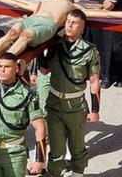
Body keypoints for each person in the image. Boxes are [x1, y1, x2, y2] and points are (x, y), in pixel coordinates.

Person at [39, 9, 101, 177]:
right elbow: (44, 71)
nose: (69, 25)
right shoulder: (55, 45)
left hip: (76, 106)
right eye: (68, 22)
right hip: (54, 104)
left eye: (74, 23)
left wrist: (95, 110)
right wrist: (40, 50)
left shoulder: (90, 51)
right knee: (56, 150)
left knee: (77, 148)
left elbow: (94, 81)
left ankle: (78, 174)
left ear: (82, 28)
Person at [0, 53, 46, 177]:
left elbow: (40, 127)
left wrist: (39, 159)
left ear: (16, 69)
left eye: (7, 67)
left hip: (14, 152)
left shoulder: (27, 95)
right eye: (0, 66)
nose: (2, 70)